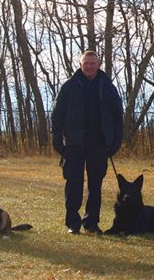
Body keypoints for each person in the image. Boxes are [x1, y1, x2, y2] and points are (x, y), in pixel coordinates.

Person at [51, 50, 123, 235]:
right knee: (73, 183)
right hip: (74, 143)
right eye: (86, 64)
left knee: (95, 185)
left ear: (98, 65)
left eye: (93, 63)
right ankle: (72, 223)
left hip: (99, 143)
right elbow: (57, 115)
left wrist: (114, 143)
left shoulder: (108, 87)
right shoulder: (69, 87)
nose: (89, 67)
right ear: (80, 65)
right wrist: (57, 141)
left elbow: (117, 118)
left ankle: (91, 223)